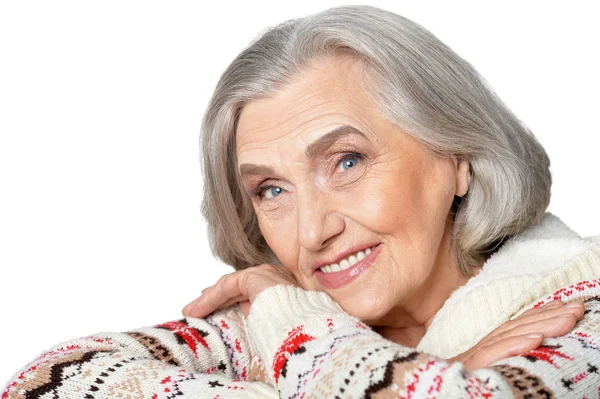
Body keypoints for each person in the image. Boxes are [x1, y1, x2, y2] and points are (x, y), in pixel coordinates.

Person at [3, 5, 599, 398]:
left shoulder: (585, 305)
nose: (312, 231)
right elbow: (42, 386)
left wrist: (302, 350)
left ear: (458, 158)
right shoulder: (276, 320)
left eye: (347, 161)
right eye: (272, 190)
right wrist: (425, 376)